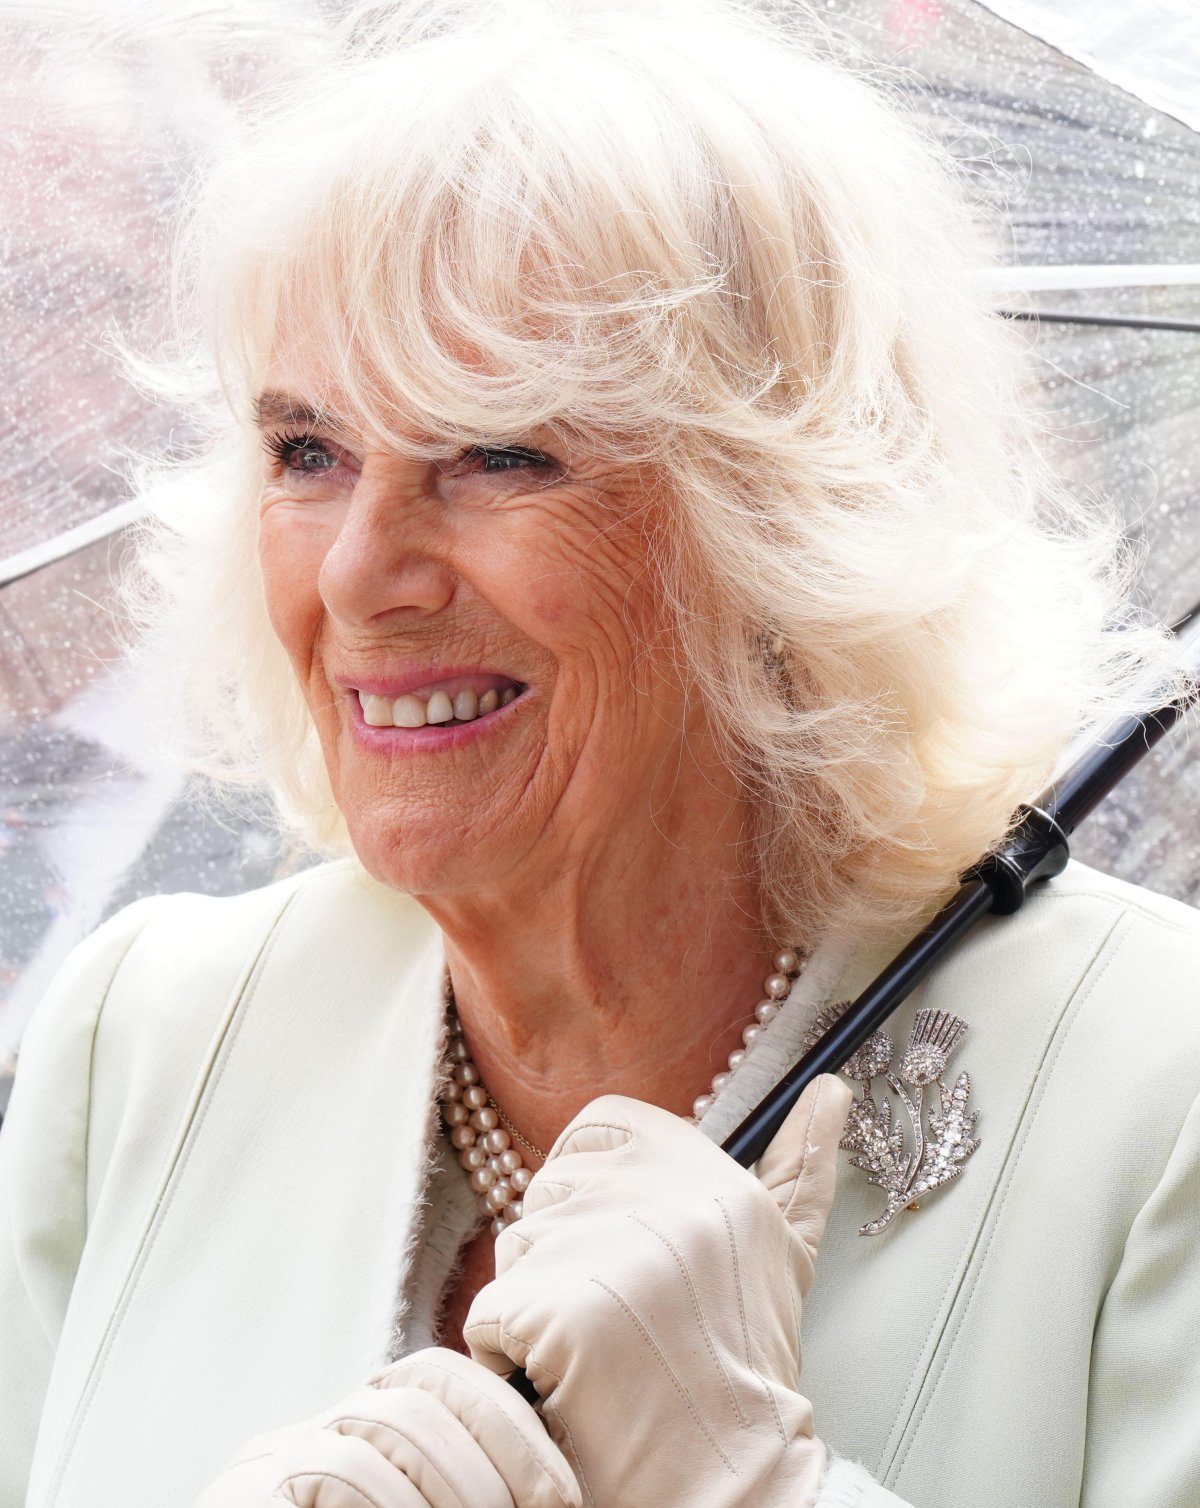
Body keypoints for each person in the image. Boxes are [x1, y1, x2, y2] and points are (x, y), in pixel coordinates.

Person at [2, 1, 1198, 1504]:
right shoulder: (144, 1040)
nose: (365, 571)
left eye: (500, 450)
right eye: (308, 452)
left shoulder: (1162, 1104)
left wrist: (757, 1487)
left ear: (774, 522)